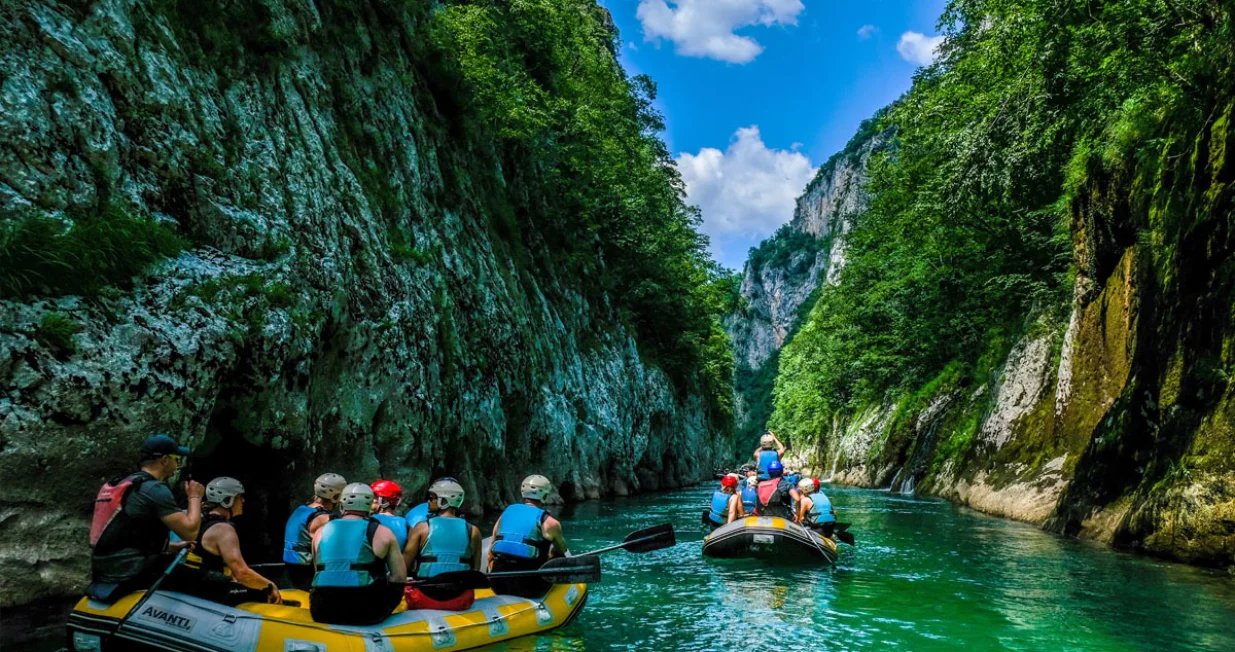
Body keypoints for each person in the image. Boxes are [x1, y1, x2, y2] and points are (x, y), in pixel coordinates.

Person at [89, 435, 205, 601]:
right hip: (133, 573)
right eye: (177, 460)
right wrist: (195, 497)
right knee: (213, 581)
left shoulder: (126, 484)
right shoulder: (155, 490)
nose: (178, 465)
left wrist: (173, 547)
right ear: (165, 460)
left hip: (103, 570)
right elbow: (191, 532)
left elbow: (127, 537)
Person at [169, 478, 282, 605]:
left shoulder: (198, 521)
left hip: (189, 587)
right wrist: (270, 585)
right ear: (228, 500)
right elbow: (241, 572)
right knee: (261, 595)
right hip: (206, 594)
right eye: (240, 497)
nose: (243, 501)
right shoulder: (224, 530)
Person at [310, 483, 406, 625]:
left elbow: (317, 570)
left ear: (342, 504)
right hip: (365, 611)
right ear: (369, 505)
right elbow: (399, 577)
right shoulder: (382, 532)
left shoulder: (320, 532)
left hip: (322, 609)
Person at [406, 478, 483, 611]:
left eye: (431, 498)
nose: (428, 501)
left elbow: (403, 565)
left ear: (444, 500)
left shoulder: (422, 528)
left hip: (425, 600)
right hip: (460, 600)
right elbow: (475, 570)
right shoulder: (473, 531)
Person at [488, 475, 570, 598]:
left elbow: (492, 546)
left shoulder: (506, 513)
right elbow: (563, 549)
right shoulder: (551, 523)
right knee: (558, 554)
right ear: (545, 496)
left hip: (498, 584)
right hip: (529, 587)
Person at [283, 472, 346, 590]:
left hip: (293, 570)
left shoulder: (301, 509)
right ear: (336, 496)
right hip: (306, 573)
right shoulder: (323, 518)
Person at [371, 480, 416, 568]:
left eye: (373, 497)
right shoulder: (405, 523)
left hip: (375, 575)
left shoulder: (370, 521)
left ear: (382, 500)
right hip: (397, 571)